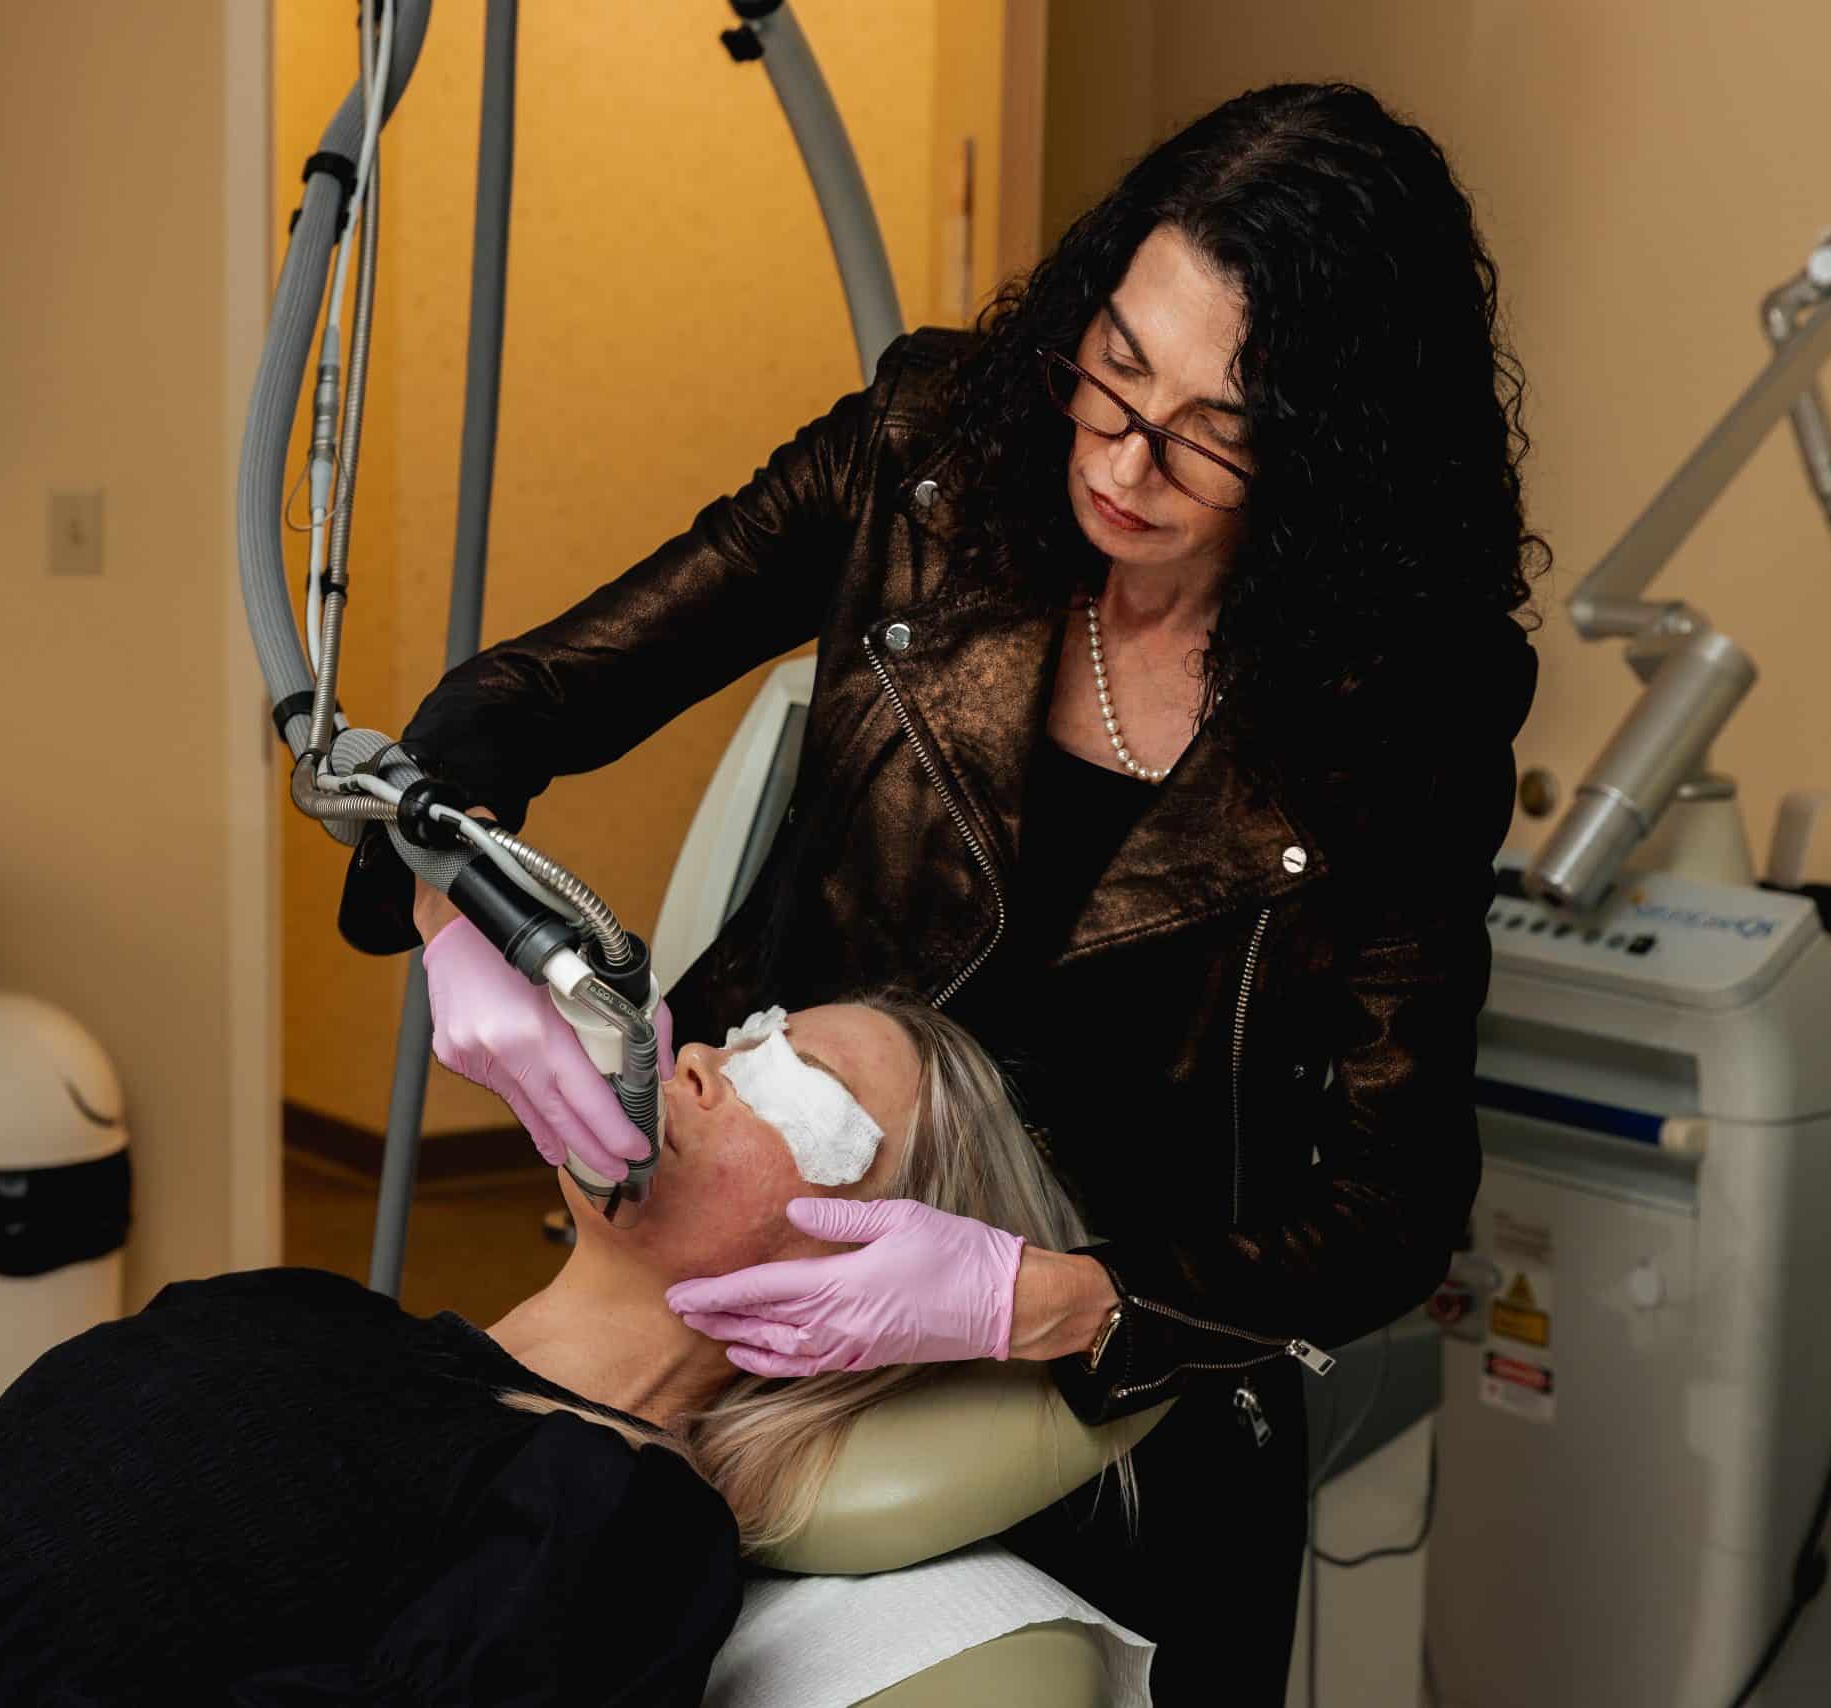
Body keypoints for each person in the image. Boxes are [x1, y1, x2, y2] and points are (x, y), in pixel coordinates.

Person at [348, 81, 1543, 1700]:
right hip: (747, 1340)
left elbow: (1392, 1210)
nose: (1123, 459)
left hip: (1112, 1399)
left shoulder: (1401, 706)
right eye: (1114, 368)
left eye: (1216, 430)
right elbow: (522, 705)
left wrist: (1044, 1302)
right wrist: (461, 918)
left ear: (1335, 457)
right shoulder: (931, 456)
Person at [0, 998, 1095, 1706]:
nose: (715, 1060)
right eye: (740, 1028)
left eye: (800, 1089)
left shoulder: (617, 1522)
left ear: (879, 1269)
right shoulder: (319, 1318)